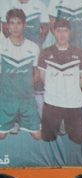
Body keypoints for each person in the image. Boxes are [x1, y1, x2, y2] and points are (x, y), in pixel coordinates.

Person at [35, 19, 82, 144]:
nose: (62, 34)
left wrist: (71, 89)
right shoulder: (45, 52)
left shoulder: (79, 53)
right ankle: (59, 123)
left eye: (65, 31)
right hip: (52, 103)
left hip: (73, 103)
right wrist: (55, 89)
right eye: (59, 31)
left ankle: (66, 124)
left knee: (78, 140)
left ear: (70, 33)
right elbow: (43, 77)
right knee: (48, 138)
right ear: (54, 32)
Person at [48, 0, 82, 136]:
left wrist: (77, 41)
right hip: (62, 47)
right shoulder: (55, 1)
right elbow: (52, 25)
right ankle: (63, 121)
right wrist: (64, 41)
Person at [0, 8, 41, 141]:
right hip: (7, 100)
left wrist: (27, 88)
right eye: (12, 23)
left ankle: (19, 119)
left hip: (27, 100)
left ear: (24, 25)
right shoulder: (1, 46)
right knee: (1, 136)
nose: (15, 27)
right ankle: (13, 120)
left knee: (38, 136)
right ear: (7, 25)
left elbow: (36, 73)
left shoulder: (33, 47)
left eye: (18, 23)